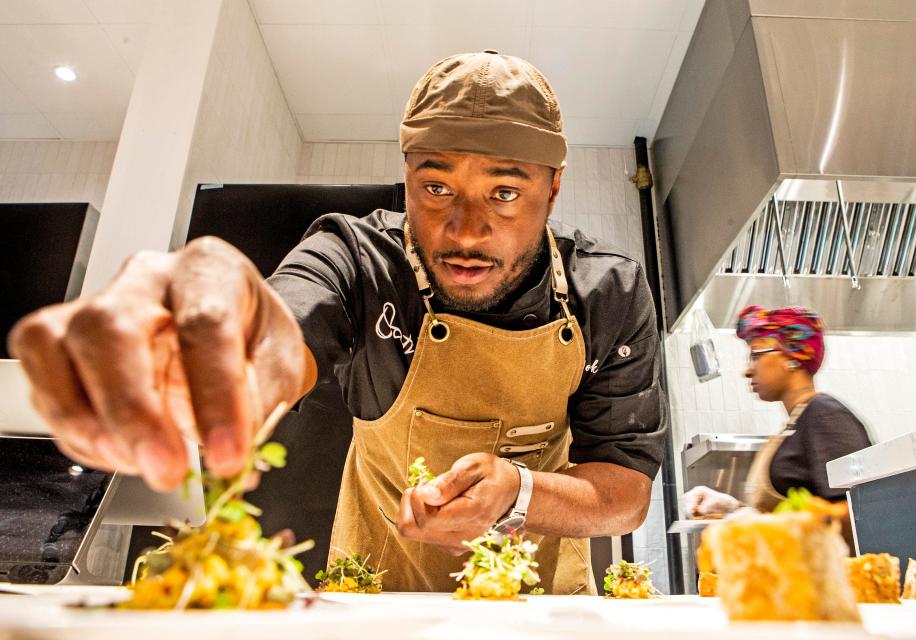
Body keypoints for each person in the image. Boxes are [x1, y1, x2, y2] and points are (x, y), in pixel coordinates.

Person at [8, 51, 666, 595]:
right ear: (407, 176)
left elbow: (626, 490)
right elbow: (283, 321)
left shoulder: (606, 292)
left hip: (545, 602)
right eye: (436, 188)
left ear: (552, 188)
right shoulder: (358, 257)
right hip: (375, 595)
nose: (466, 231)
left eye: (504, 191)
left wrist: (518, 491)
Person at [684, 305, 871, 518]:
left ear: (791, 357)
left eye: (756, 355)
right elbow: (783, 514)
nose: (747, 370)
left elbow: (856, 514)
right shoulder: (797, 421)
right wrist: (732, 509)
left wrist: (758, 522)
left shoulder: (825, 415)